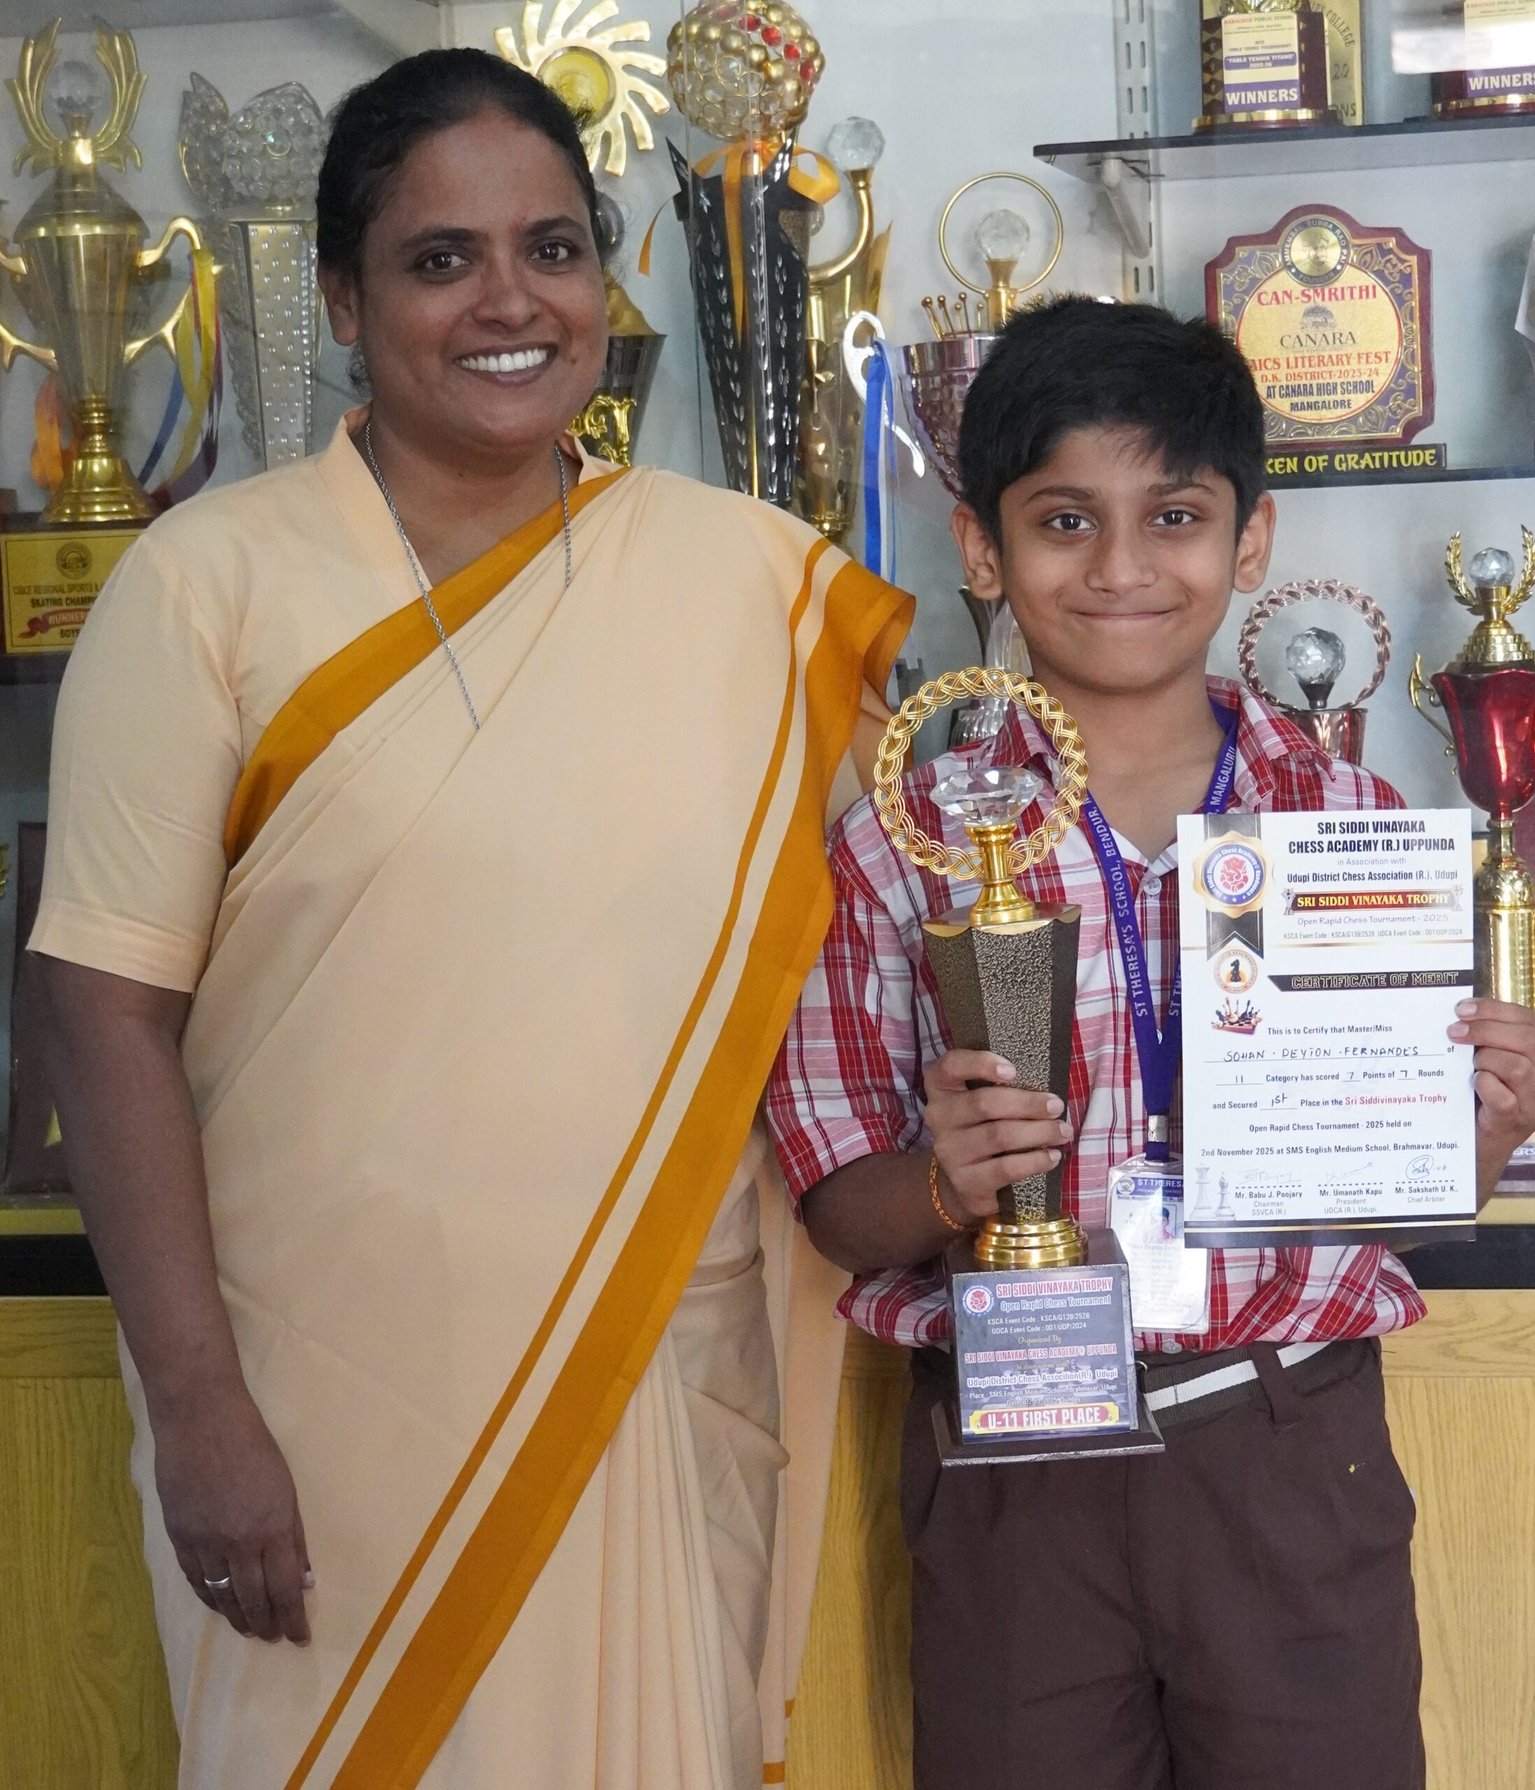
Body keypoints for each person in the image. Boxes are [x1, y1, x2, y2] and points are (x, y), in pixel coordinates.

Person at [32, 49, 907, 1790]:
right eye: (442, 260)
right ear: (345, 301)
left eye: (553, 249)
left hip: (650, 1368)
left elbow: (918, 921)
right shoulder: (205, 584)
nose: (511, 301)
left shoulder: (746, 582)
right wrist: (200, 1410)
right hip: (309, 1405)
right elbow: (102, 1010)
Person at [765, 297, 1535, 1790]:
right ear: (981, 549)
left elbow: (1404, 1185)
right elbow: (834, 1211)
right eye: (1065, 520)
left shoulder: (1351, 825)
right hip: (1013, 1461)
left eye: (1177, 517)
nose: (1123, 567)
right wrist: (946, 1180)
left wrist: (1492, 1117)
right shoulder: (905, 843)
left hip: (1286, 1439)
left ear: (1250, 542)